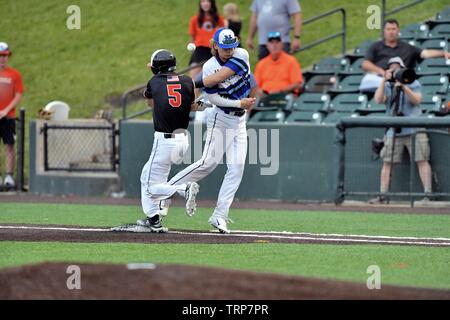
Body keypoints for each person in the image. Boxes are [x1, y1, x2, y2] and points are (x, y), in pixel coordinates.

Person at [150, 28, 256, 234]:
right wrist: (238, 103)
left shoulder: (241, 54)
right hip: (221, 118)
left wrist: (188, 82)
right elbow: (214, 98)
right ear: (214, 45)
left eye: (231, 47)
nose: (229, 51)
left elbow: (221, 76)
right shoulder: (209, 67)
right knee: (207, 163)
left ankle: (219, 216)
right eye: (224, 48)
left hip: (239, 121)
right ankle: (166, 194)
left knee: (236, 169)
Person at [138, 49, 211, 233]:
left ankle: (183, 189)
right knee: (156, 179)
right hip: (182, 140)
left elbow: (150, 101)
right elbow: (190, 105)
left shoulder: (154, 81)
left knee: (148, 185)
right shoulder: (187, 80)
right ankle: (154, 219)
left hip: (164, 140)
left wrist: (153, 80)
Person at [369, 57, 432, 204]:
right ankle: (383, 196)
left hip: (414, 128)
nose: (395, 70)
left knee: (422, 160)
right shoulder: (388, 85)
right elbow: (378, 100)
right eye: (392, 68)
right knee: (387, 163)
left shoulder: (412, 81)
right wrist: (384, 81)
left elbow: (417, 100)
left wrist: (404, 87)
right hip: (394, 130)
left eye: (398, 67)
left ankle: (428, 196)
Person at [360, 19, 450, 92]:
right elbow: (365, 64)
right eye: (388, 29)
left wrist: (443, 53)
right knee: (367, 81)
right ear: (384, 31)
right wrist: (383, 73)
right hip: (379, 79)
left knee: (412, 84)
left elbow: (425, 53)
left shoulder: (407, 47)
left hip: (400, 79)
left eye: (393, 29)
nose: (391, 32)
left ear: (398, 31)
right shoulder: (376, 46)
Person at [0, 42, 24, 190]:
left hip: (8, 116)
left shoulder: (14, 74)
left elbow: (18, 94)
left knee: (9, 145)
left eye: (5, 56)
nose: (3, 59)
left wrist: (5, 110)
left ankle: (9, 176)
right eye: (1, 56)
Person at [254, 31, 303, 96]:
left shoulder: (291, 61)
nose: (274, 45)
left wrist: (280, 92)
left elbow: (297, 84)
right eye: (271, 43)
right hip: (265, 98)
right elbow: (255, 86)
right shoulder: (261, 64)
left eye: (277, 42)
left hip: (285, 96)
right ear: (267, 46)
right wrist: (261, 93)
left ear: (282, 45)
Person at [188, 0, 225, 83]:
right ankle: (193, 95)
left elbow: (222, 36)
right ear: (200, 4)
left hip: (214, 50)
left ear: (212, 3)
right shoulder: (195, 19)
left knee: (216, 78)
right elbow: (192, 37)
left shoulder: (219, 19)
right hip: (199, 50)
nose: (205, 3)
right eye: (203, 1)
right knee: (193, 79)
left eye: (207, 1)